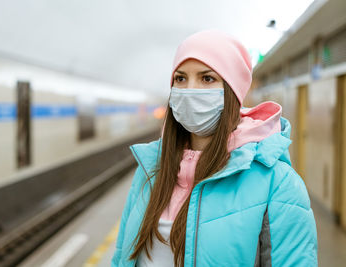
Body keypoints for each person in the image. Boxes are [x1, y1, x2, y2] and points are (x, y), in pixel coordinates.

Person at [111, 29, 318, 267]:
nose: (189, 90)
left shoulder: (277, 183)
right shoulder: (150, 172)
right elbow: (120, 258)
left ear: (232, 92)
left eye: (207, 78)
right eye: (180, 78)